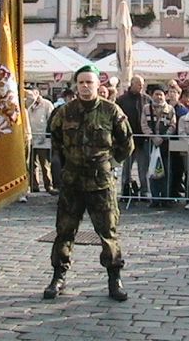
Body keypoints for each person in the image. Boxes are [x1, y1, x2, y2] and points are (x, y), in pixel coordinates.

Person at [44, 65, 133, 301]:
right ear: (76, 85)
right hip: (72, 182)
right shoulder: (64, 112)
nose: (85, 87)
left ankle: (115, 279)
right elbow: (56, 141)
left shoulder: (111, 111)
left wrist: (110, 162)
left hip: (100, 184)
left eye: (89, 83)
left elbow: (126, 143)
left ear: (98, 85)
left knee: (108, 233)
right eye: (81, 82)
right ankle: (58, 277)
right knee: (64, 231)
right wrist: (66, 165)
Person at [140, 85, 176, 207]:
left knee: (166, 170)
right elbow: (144, 124)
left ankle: (165, 197)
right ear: (152, 95)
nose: (159, 97)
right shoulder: (146, 108)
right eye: (156, 94)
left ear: (165, 95)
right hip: (151, 143)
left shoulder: (170, 109)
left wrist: (164, 137)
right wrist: (152, 136)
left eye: (161, 94)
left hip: (165, 144)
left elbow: (173, 125)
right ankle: (154, 198)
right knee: (152, 170)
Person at [116, 75, 150, 198]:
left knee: (143, 168)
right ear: (132, 84)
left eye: (142, 84)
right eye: (138, 84)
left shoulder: (147, 99)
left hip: (142, 140)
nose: (141, 87)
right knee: (126, 168)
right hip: (127, 140)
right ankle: (125, 190)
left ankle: (145, 191)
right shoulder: (122, 100)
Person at [167, 85, 189, 198]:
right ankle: (167, 191)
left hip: (179, 141)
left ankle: (175, 190)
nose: (172, 94)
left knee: (178, 167)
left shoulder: (183, 110)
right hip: (166, 140)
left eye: (174, 92)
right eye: (170, 91)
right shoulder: (164, 107)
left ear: (178, 94)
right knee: (167, 167)